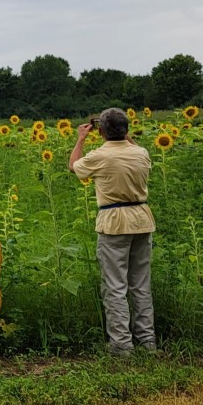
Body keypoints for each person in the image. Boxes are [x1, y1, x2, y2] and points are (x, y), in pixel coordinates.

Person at [69, 107, 156, 355]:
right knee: (140, 284)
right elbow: (133, 146)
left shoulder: (100, 156)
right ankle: (147, 341)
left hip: (114, 221)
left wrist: (81, 139)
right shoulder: (141, 153)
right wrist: (123, 134)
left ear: (101, 131)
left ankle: (121, 344)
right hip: (141, 219)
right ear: (126, 130)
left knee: (115, 285)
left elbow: (74, 166)